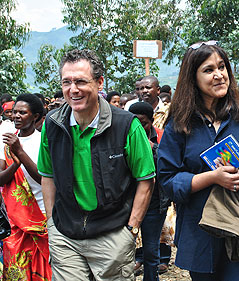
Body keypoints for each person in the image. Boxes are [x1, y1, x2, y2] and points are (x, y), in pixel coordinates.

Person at [157, 41, 239, 281]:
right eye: (208, 70)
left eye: (222, 67)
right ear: (192, 78)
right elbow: (167, 180)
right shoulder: (179, 125)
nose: (218, 75)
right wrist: (212, 178)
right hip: (199, 230)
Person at [37, 49, 155, 280]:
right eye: (67, 82)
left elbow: (146, 179)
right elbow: (48, 175)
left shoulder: (126, 125)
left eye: (81, 81)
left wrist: (131, 229)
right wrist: (52, 223)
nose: (73, 89)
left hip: (112, 233)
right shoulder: (52, 125)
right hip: (65, 233)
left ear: (99, 82)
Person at [0, 93, 51, 280]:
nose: (16, 116)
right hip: (15, 220)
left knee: (42, 270)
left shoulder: (43, 141)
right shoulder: (6, 140)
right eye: (14, 112)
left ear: (35, 116)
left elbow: (44, 180)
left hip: (41, 216)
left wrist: (20, 152)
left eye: (22, 112)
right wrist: (15, 163)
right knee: (17, 272)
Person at [128, 102, 170, 280]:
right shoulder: (126, 138)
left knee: (151, 250)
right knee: (125, 248)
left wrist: (153, 150)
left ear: (151, 122)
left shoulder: (161, 138)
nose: (140, 127)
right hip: (130, 204)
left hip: (154, 204)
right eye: (135, 123)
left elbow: (169, 164)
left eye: (143, 123)